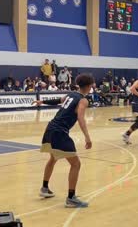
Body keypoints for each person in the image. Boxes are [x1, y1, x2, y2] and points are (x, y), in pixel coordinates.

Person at [33, 74, 94, 208]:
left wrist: (42, 101)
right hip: (60, 132)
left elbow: (57, 100)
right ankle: (71, 198)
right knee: (76, 164)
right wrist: (87, 137)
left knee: (53, 159)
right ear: (89, 86)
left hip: (50, 129)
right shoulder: (83, 100)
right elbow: (81, 118)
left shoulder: (71, 94)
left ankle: (44, 188)